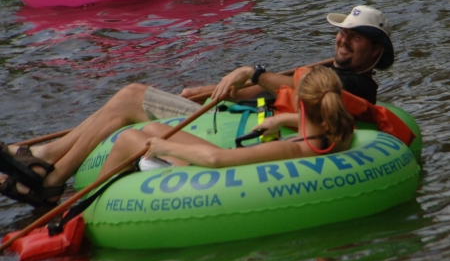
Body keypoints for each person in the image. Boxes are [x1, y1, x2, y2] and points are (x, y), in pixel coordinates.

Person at [0, 5, 394, 207]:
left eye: (355, 37)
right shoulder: (329, 73)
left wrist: (253, 71)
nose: (343, 40)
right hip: (236, 118)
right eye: (342, 32)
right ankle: (43, 159)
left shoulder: (356, 85)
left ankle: (49, 173)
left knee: (132, 95)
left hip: (232, 133)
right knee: (133, 96)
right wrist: (209, 90)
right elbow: (273, 94)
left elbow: (291, 86)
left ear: (374, 49)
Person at [98, 66, 354, 176]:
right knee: (154, 127)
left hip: (213, 174)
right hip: (225, 164)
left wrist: (164, 149)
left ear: (300, 103)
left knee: (131, 138)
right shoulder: (338, 133)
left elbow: (216, 160)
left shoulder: (290, 147)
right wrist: (284, 119)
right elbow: (314, 118)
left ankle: (94, 212)